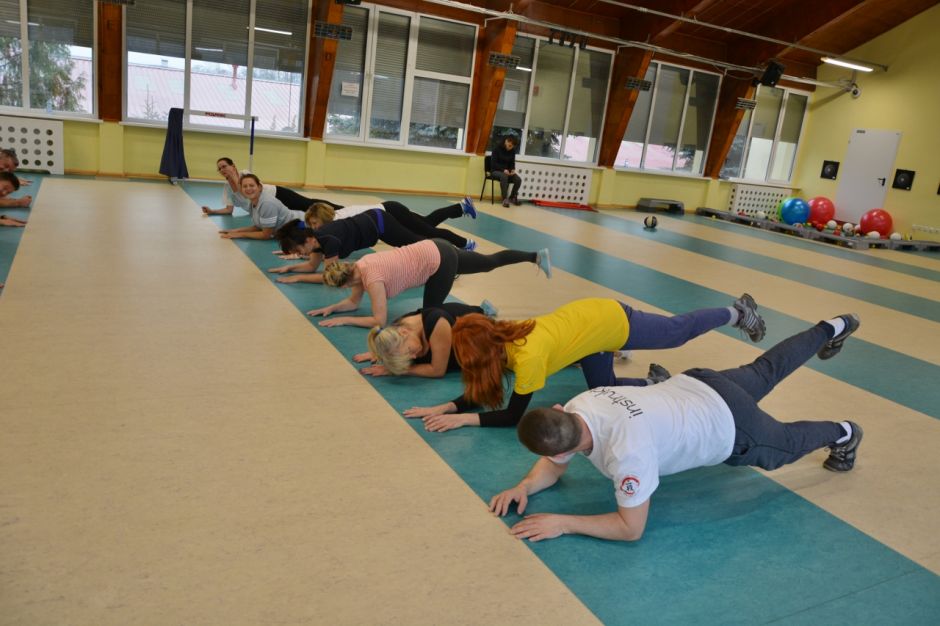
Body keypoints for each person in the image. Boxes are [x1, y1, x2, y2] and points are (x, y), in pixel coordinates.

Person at [489, 314, 863, 543]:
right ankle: (831, 327)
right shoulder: (580, 404)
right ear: (558, 410)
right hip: (701, 382)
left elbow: (630, 529)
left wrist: (563, 523)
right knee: (767, 368)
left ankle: (844, 433)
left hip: (731, 426)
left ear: (560, 448)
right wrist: (524, 486)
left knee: (785, 446)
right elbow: (552, 464)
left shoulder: (627, 456)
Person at [402, 295, 766, 433]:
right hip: (585, 334)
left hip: (607, 321)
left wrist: (464, 419)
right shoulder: (500, 338)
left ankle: (738, 312)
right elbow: (486, 385)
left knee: (675, 333)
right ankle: (654, 383)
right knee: (603, 391)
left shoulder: (527, 357)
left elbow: (513, 416)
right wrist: (446, 406)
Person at [306, 238, 551, 328]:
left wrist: (345, 320)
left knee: (431, 314)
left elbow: (379, 321)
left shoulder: (373, 279)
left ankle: (481, 310)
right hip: (435, 246)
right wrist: (332, 309)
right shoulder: (360, 265)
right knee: (488, 262)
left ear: (344, 283)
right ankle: (536, 256)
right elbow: (352, 302)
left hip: (438, 262)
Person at [270, 202, 471, 283]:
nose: (300, 253)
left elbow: (329, 276)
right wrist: (289, 269)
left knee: (419, 243)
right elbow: (311, 266)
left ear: (308, 239)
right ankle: (451, 255)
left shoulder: (328, 241)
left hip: (380, 223)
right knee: (422, 235)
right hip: (372, 220)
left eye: (299, 249)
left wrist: (297, 278)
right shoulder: (315, 241)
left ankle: (454, 259)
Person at [355, 300, 498, 377]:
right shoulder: (397, 330)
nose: (413, 356)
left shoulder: (437, 324)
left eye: (409, 351)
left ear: (404, 332)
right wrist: (383, 354)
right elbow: (391, 343)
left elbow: (437, 370)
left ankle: (486, 312)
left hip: (483, 335)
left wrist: (397, 370)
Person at [305, 198, 478, 250]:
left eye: (315, 223)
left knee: (428, 230)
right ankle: (461, 207)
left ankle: (464, 243)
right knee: (428, 223)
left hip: (391, 212)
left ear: (323, 217)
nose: (314, 228)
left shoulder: (336, 222)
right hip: (389, 209)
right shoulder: (333, 219)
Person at [201, 157, 341, 216]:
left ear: (233, 166)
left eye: (224, 166)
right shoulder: (227, 188)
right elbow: (228, 210)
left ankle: (340, 209)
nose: (222, 170)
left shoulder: (245, 174)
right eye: (219, 169)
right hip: (267, 207)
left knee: (307, 204)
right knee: (302, 213)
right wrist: (212, 211)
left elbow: (251, 193)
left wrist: (233, 177)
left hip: (277, 194)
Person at [217, 174, 301, 240]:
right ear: (241, 190)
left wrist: (240, 234)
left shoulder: (266, 204)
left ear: (259, 187)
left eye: (251, 185)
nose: (248, 188)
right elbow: (259, 227)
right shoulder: (253, 202)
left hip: (302, 226)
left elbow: (266, 235)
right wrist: (235, 231)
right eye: (245, 186)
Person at [491, 135, 522, 208]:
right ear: (506, 141)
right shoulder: (496, 149)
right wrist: (503, 170)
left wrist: (512, 170)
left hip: (507, 172)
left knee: (518, 179)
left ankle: (512, 198)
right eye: (509, 145)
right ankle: (504, 199)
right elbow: (493, 164)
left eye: (512, 146)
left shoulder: (512, 151)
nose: (510, 148)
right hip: (495, 170)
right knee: (504, 176)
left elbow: (512, 163)